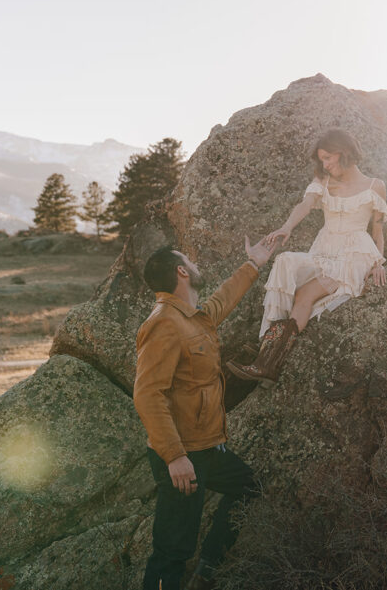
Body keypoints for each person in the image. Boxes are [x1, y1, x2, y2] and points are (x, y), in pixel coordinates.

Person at [134, 237, 277, 590]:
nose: (197, 265)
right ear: (182, 271)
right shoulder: (164, 322)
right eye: (190, 261)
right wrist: (175, 456)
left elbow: (221, 301)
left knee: (248, 486)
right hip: (184, 455)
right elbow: (148, 393)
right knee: (171, 552)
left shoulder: (193, 318)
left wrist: (254, 263)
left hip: (209, 447)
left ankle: (208, 570)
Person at [227, 128, 387, 387]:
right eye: (321, 160)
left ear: (344, 152)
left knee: (304, 294)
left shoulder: (375, 186)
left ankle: (268, 361)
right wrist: (287, 227)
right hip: (325, 249)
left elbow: (378, 232)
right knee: (285, 262)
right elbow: (304, 205)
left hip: (354, 254)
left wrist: (379, 263)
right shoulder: (323, 181)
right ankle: (267, 354)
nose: (324, 164)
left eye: (328, 158)